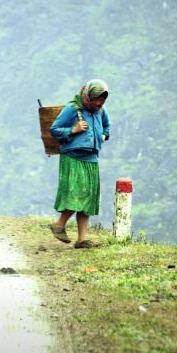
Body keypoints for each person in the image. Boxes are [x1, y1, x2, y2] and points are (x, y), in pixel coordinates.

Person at [49, 79, 111, 248]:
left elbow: (107, 127)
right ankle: (59, 225)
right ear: (88, 96)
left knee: (88, 198)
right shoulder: (72, 108)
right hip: (73, 157)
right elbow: (54, 130)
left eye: (102, 100)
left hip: (92, 158)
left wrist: (103, 135)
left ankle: (82, 239)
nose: (98, 103)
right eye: (96, 99)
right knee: (78, 195)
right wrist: (73, 130)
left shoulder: (101, 110)